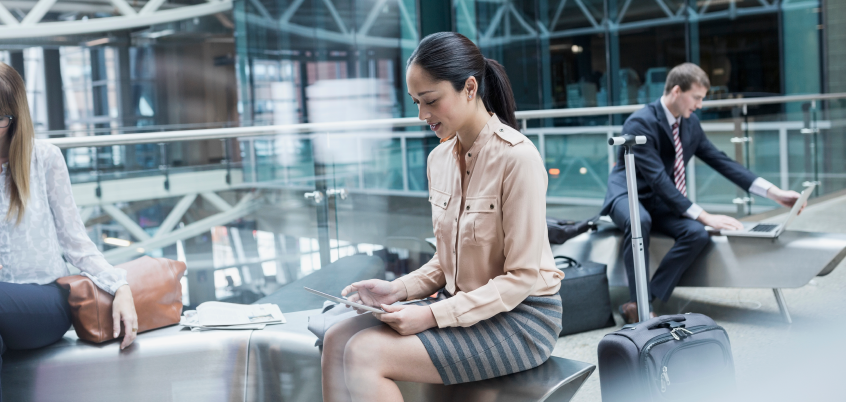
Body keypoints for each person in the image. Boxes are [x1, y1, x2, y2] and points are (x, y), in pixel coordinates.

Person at [321, 32, 564, 402]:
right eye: (416, 102)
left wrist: (432, 316)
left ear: (469, 88)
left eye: (430, 100)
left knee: (363, 353)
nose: (422, 115)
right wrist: (399, 289)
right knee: (337, 336)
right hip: (462, 303)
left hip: (521, 318)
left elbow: (521, 278)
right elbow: (448, 256)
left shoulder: (518, 158)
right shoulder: (439, 159)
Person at [601, 63, 803, 324]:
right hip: (628, 194)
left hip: (661, 199)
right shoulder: (640, 122)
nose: (699, 105)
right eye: (696, 97)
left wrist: (774, 193)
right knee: (641, 220)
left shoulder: (690, 123)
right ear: (676, 91)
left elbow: (721, 161)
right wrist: (704, 215)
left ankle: (641, 300)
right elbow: (659, 180)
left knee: (696, 234)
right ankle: (640, 307)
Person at [0, 63, 138, 400]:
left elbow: (76, 242)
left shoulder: (44, 159)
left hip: (46, 302)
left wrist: (119, 286)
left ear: (15, 118)